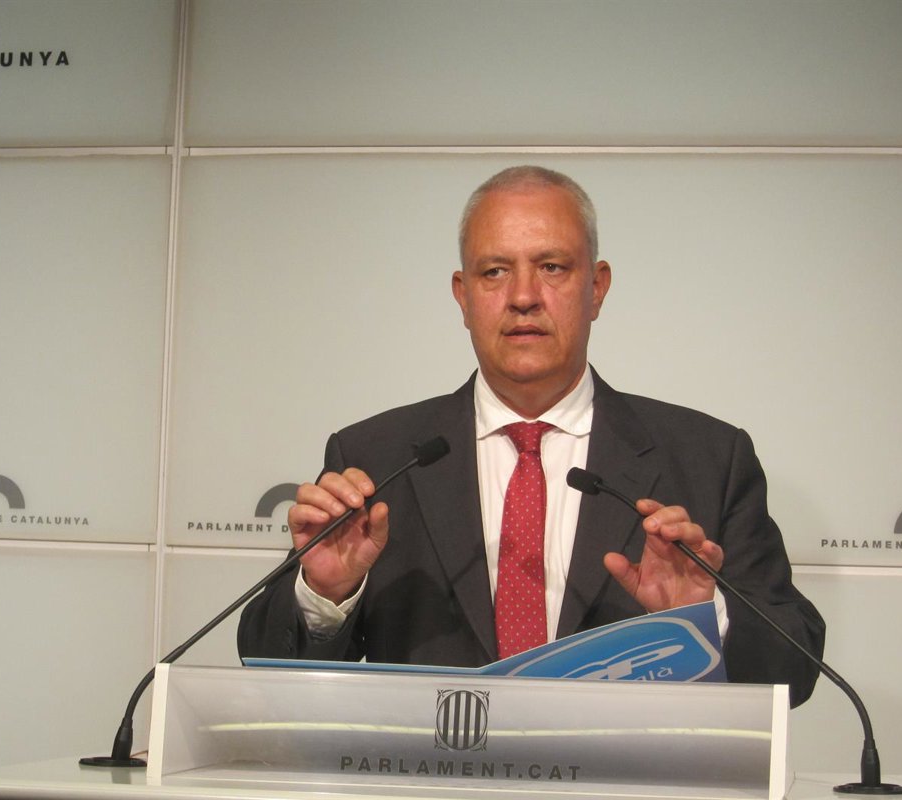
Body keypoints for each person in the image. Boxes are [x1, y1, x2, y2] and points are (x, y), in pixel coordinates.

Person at [237, 165, 825, 706]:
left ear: (597, 287)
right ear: (463, 296)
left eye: (552, 267)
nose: (522, 297)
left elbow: (795, 669)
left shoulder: (708, 459)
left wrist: (701, 620)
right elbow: (269, 667)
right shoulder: (376, 458)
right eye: (494, 271)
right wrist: (324, 596)